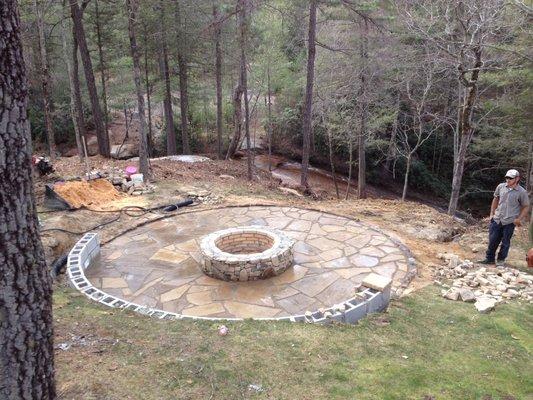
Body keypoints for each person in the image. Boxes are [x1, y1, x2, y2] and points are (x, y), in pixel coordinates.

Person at [478, 169, 530, 266]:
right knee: (492, 240)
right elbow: (495, 199)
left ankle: (501, 261)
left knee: (505, 242)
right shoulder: (500, 187)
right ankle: (489, 259)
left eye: (510, 178)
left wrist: (519, 219)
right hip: (497, 219)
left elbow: (526, 206)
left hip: (510, 221)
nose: (508, 179)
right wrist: (491, 214)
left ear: (517, 178)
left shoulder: (521, 192)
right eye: (507, 177)